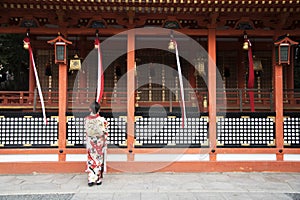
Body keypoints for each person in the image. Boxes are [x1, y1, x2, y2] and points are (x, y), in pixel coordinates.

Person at [84, 101, 108, 186]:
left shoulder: (86, 119)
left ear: (90, 109)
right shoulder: (102, 120)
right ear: (99, 109)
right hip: (99, 142)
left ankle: (91, 179)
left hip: (90, 142)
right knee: (99, 160)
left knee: (91, 159)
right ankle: (98, 179)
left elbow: (86, 131)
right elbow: (105, 132)